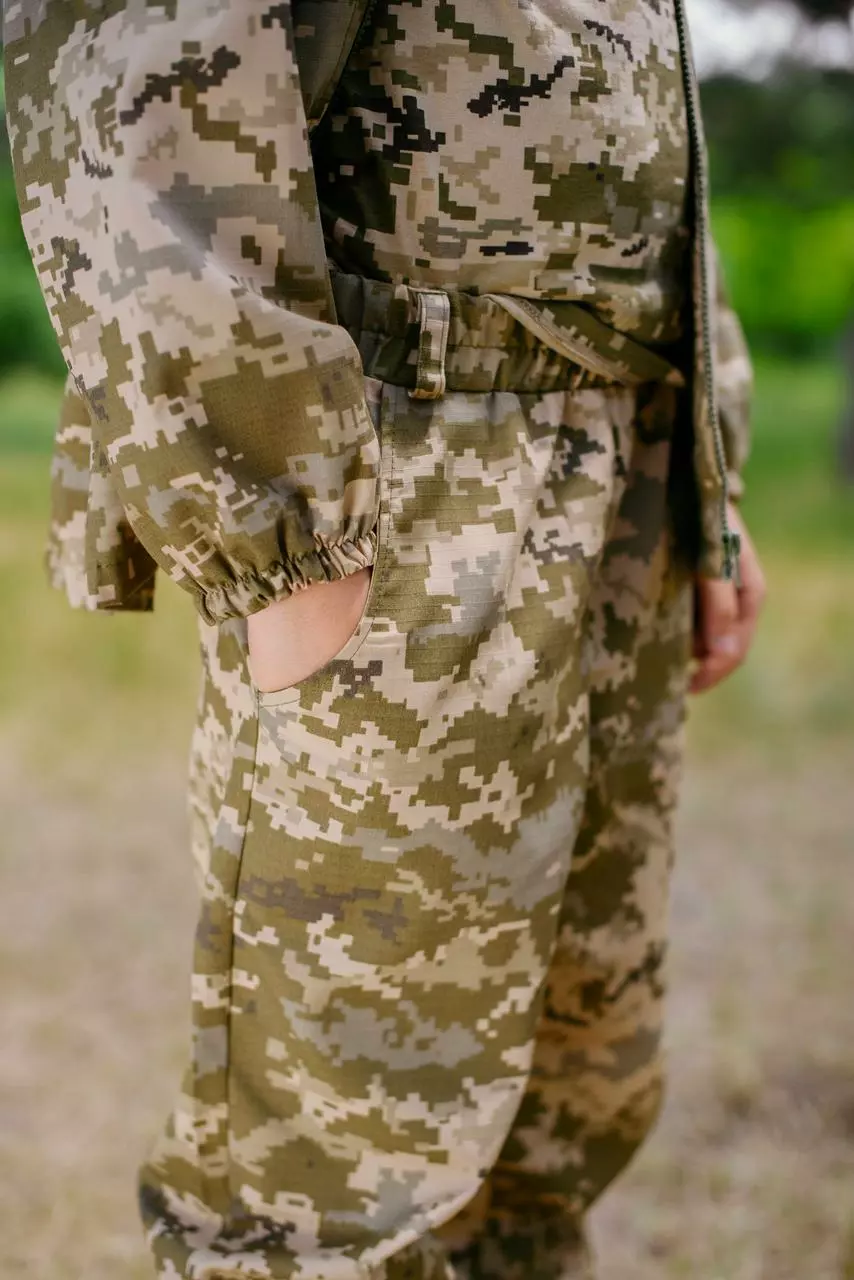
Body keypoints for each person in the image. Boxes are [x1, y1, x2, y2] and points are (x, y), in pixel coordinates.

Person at [3, 2, 766, 1277]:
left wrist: (707, 458)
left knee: (564, 1093)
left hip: (619, 451)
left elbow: (645, 123)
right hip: (402, 477)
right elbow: (136, 74)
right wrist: (276, 523)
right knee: (335, 1169)